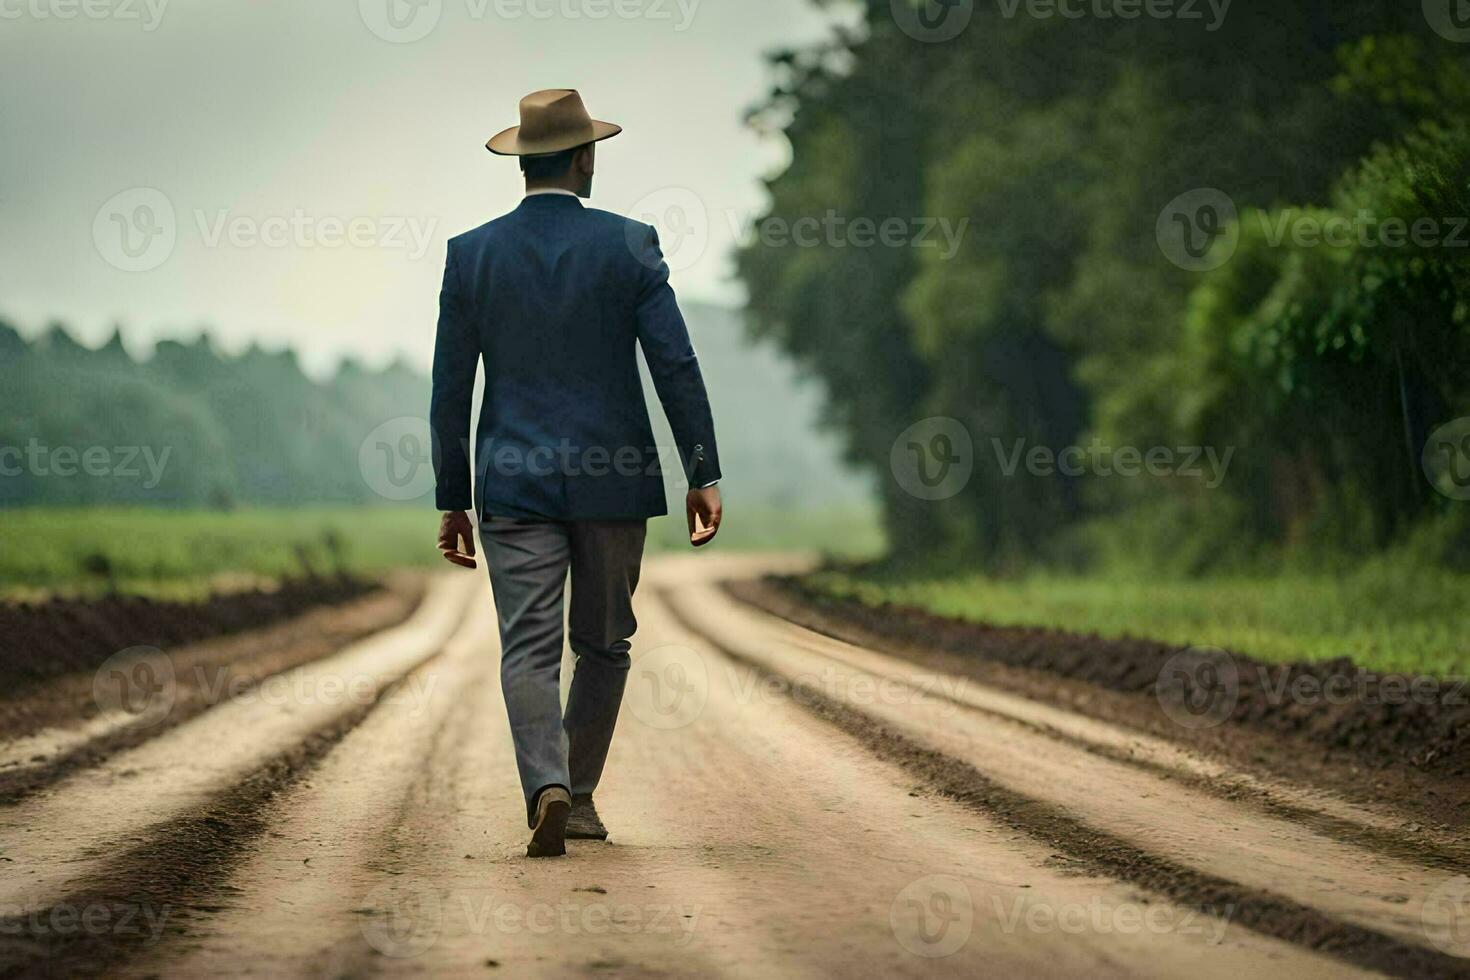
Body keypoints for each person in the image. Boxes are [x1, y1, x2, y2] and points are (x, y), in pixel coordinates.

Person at [429, 88, 723, 857]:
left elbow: (450, 390)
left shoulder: (472, 255)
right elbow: (676, 365)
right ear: (585, 157)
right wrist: (701, 469)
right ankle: (580, 793)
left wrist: (451, 499)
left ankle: (545, 785)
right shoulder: (631, 244)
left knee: (526, 649)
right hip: (612, 481)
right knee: (604, 645)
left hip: (513, 482)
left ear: (524, 162)